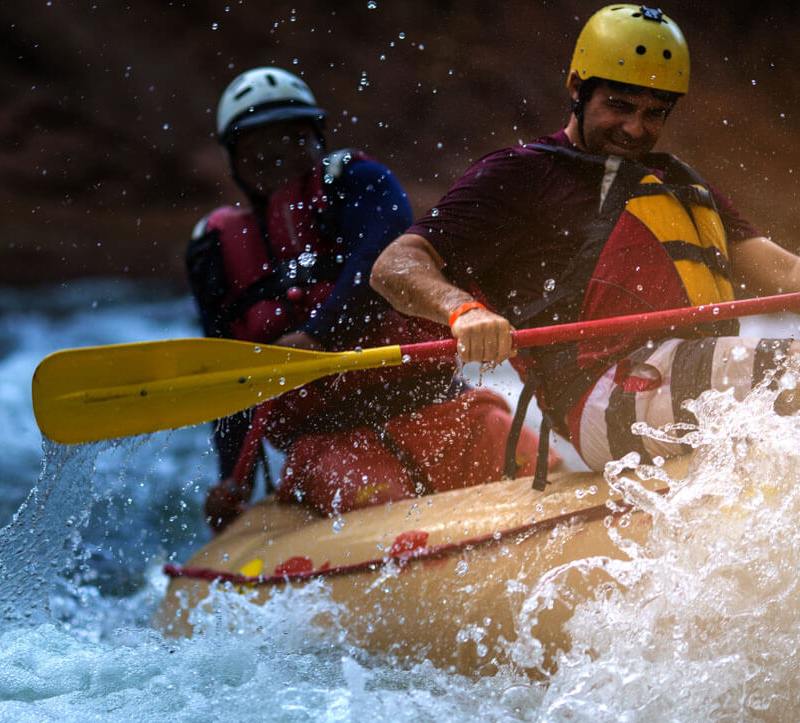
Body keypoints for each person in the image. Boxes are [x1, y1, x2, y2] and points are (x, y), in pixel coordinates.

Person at [371, 5, 800, 474]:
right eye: (619, 105)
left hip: (689, 378)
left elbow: (793, 273)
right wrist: (463, 311)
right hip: (604, 399)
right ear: (577, 87)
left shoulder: (678, 184)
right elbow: (395, 264)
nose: (634, 128)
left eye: (654, 113)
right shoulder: (519, 174)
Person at [187, 66, 553, 530]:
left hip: (449, 411)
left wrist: (316, 336)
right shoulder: (215, 250)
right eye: (258, 149)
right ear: (234, 160)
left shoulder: (360, 183)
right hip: (328, 443)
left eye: (293, 140)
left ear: (317, 140)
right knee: (389, 517)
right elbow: (231, 376)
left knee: (547, 476)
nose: (278, 158)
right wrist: (233, 479)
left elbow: (382, 266)